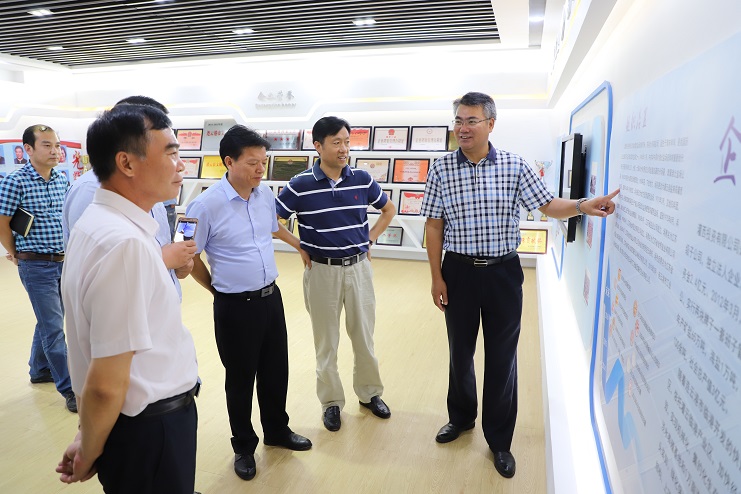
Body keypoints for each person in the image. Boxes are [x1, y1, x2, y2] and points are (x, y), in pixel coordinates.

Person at [420, 91, 619, 479]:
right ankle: (460, 417)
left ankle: (499, 439)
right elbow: (433, 225)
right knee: (460, 351)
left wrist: (582, 205)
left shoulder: (514, 165)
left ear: (491, 124)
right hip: (458, 271)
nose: (462, 128)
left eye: (471, 120)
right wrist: (436, 277)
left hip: (503, 274)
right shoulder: (441, 169)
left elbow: (547, 205)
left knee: (502, 357)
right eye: (458, 120)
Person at [56, 104, 199, 493]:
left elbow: (92, 349)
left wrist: (88, 433)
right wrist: (89, 449)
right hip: (152, 430)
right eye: (170, 153)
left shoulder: (97, 224)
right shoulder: (125, 243)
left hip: (134, 427)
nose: (181, 165)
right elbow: (106, 381)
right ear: (127, 163)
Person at [186, 125, 311, 482]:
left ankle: (277, 430)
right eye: (253, 162)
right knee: (240, 379)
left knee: (276, 370)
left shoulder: (264, 195)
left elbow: (273, 228)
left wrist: (299, 246)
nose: (261, 169)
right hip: (235, 306)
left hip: (271, 298)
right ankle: (243, 446)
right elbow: (186, 252)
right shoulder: (204, 204)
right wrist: (216, 289)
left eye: (264, 162)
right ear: (229, 162)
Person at [276, 116, 396, 432]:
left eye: (346, 142)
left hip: (359, 270)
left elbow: (388, 210)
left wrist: (370, 238)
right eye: (336, 143)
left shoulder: (362, 179)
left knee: (364, 337)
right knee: (326, 342)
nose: (344, 149)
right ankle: (331, 402)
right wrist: (299, 245)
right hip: (321, 272)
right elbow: (272, 221)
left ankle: (370, 394)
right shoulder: (300, 184)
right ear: (318, 146)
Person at [62, 96, 195, 300]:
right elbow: (102, 278)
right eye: (169, 153)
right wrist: (165, 259)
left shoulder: (150, 192)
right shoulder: (90, 190)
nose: (180, 165)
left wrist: (178, 264)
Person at [0, 124, 76, 413]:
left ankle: (39, 369)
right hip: (35, 265)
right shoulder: (15, 181)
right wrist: (15, 253)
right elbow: (2, 222)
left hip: (62, 262)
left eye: (56, 145)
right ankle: (70, 389)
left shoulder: (61, 179)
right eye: (47, 145)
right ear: (28, 149)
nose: (55, 151)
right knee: (54, 328)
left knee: (49, 321)